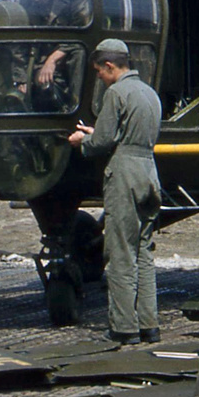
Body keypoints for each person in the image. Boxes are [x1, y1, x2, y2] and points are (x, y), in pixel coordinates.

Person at [67, 39, 163, 344]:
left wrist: (82, 141)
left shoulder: (116, 93)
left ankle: (123, 328)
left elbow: (101, 144)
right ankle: (149, 324)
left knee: (120, 251)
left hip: (124, 174)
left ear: (110, 66)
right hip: (149, 172)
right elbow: (128, 135)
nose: (99, 78)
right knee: (143, 251)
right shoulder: (149, 93)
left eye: (99, 72)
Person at [10, 0, 91, 111]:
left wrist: (52, 60)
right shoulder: (24, 2)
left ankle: (76, 109)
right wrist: (21, 79)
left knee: (79, 53)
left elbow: (82, 34)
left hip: (66, 56)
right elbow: (19, 43)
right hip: (38, 60)